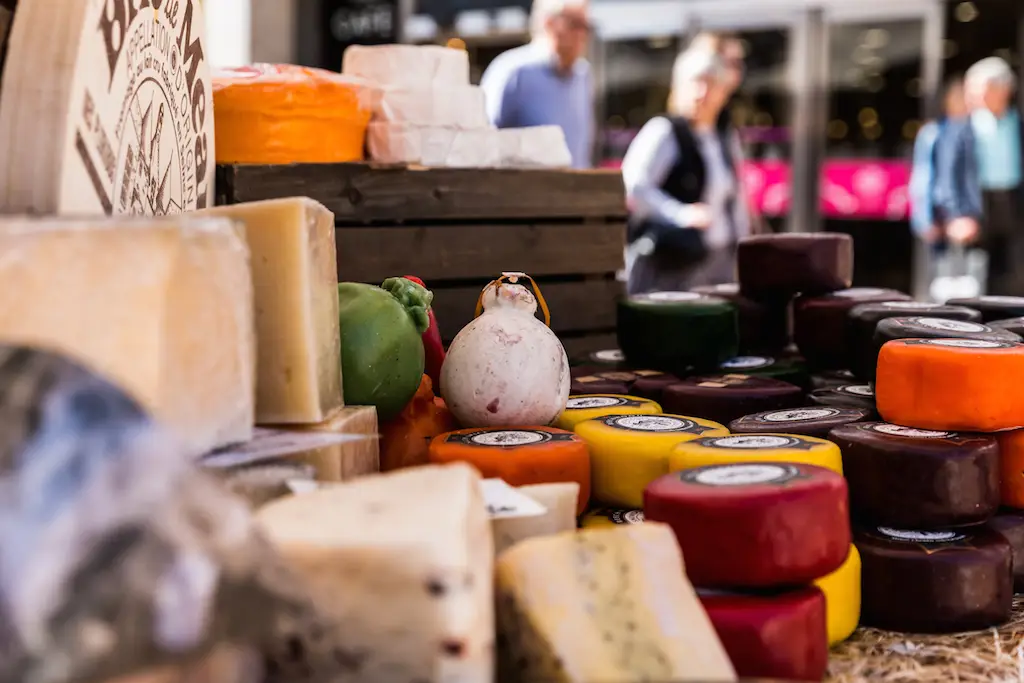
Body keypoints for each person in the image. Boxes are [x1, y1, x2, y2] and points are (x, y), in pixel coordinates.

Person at [621, 47, 753, 294]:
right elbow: (634, 186)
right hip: (673, 260)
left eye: (711, 84)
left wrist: (744, 245)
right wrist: (679, 213)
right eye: (695, 83)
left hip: (718, 257)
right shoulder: (664, 131)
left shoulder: (725, 137)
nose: (702, 93)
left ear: (724, 92)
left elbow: (735, 196)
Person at [933, 57, 1023, 294]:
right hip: (977, 206)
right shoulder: (962, 128)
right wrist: (956, 215)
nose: (972, 95)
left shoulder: (1018, 124)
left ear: (1002, 90)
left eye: (978, 88)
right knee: (977, 281)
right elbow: (948, 176)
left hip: (1013, 203)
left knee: (1013, 277)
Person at [479, 0, 594, 169]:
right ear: (549, 23)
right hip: (524, 191)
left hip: (575, 191)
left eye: (587, 27)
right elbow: (484, 139)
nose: (582, 34)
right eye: (575, 24)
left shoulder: (583, 75)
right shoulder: (513, 71)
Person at [909, 77, 967, 247]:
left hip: (968, 215)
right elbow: (923, 174)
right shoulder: (933, 133)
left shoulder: (973, 131)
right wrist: (923, 218)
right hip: (940, 211)